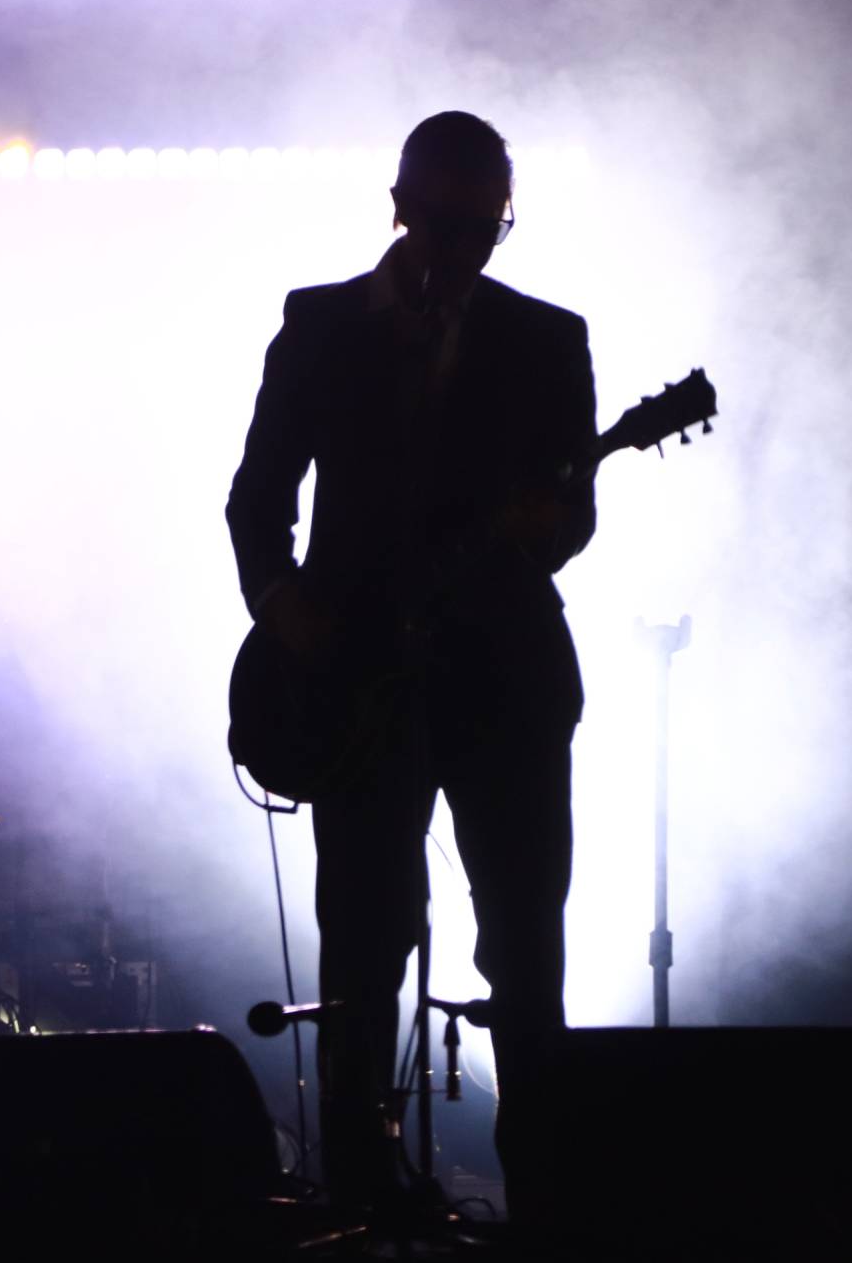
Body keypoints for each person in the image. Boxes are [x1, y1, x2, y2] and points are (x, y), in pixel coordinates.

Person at [225, 112, 596, 1216]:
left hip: (502, 683)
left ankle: (547, 1202)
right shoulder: (320, 328)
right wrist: (283, 605)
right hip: (354, 684)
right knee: (363, 946)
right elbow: (256, 499)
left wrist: (541, 529)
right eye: (446, 221)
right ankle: (355, 1182)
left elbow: (572, 519)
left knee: (525, 944)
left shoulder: (546, 339)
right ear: (398, 206)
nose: (463, 247)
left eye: (484, 227)